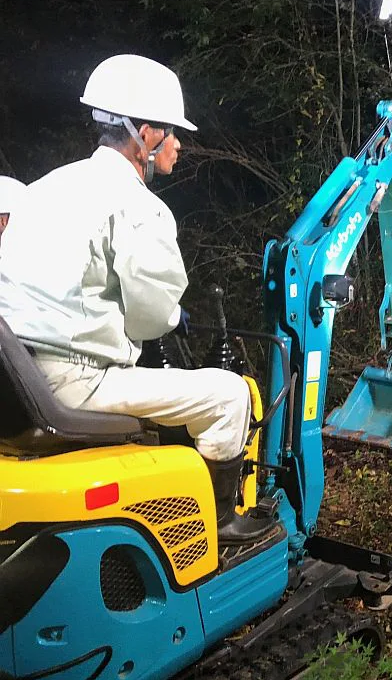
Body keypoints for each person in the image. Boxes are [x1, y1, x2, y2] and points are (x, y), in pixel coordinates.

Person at [0, 54, 272, 542]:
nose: (179, 147)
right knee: (230, 395)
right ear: (145, 134)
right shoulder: (141, 208)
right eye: (173, 133)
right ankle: (219, 522)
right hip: (76, 382)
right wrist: (170, 313)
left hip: (15, 380)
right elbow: (150, 322)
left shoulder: (39, 191)